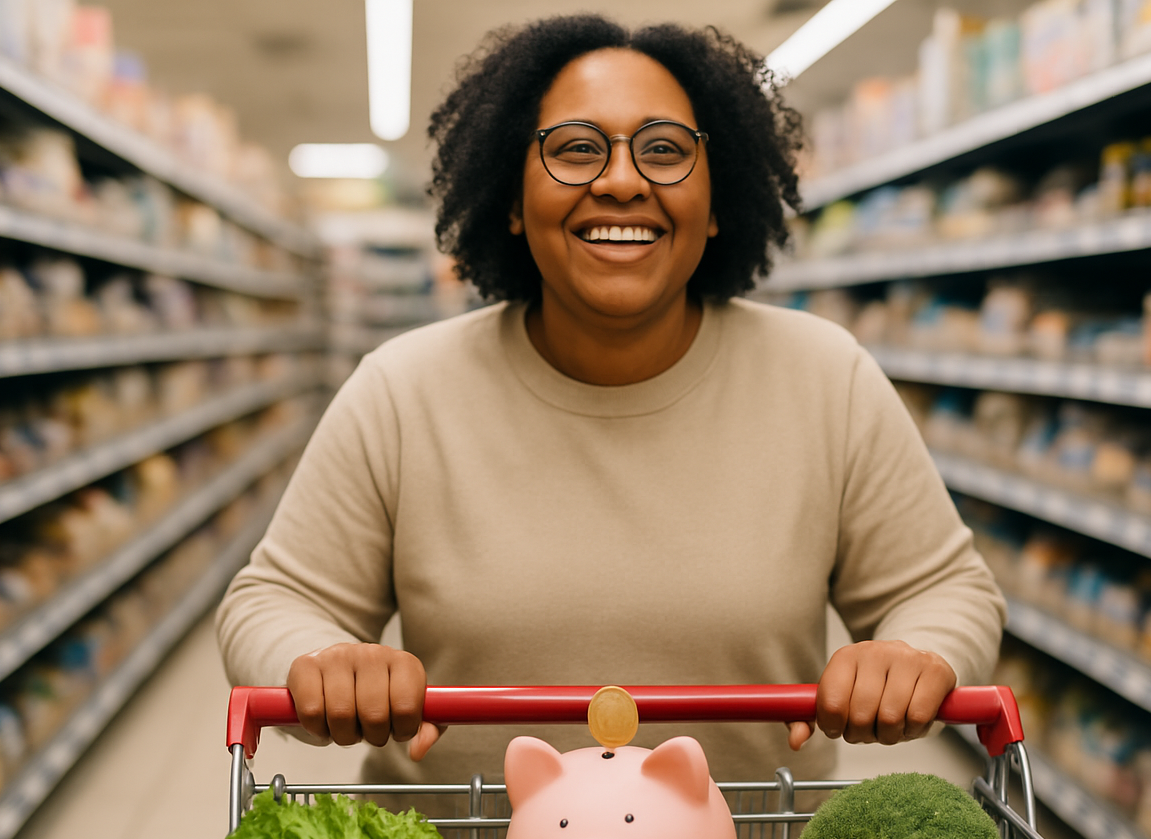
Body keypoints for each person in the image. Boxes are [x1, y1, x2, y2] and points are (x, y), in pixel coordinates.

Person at [216, 15, 1006, 792]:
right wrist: (320, 663)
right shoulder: (403, 390)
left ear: (718, 197)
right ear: (513, 201)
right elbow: (274, 601)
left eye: (664, 150)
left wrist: (917, 654)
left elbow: (945, 591)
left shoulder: (825, 379)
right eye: (575, 150)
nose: (623, 181)